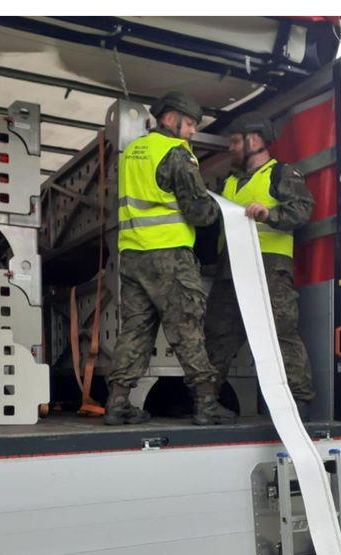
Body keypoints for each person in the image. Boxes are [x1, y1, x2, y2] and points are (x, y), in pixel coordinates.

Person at [104, 91, 238, 426]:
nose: (193, 131)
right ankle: (206, 403)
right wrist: (218, 208)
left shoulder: (131, 152)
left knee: (134, 330)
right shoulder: (176, 154)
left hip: (133, 254)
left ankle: (118, 402)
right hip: (169, 255)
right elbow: (198, 211)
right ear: (169, 118)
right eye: (190, 123)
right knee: (188, 327)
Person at [204, 112, 316, 418]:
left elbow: (303, 210)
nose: (230, 148)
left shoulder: (281, 174)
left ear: (254, 141)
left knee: (280, 333)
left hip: (269, 269)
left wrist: (269, 214)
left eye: (235, 141)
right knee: (217, 334)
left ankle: (298, 404)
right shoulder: (230, 182)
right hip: (230, 271)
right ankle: (206, 401)